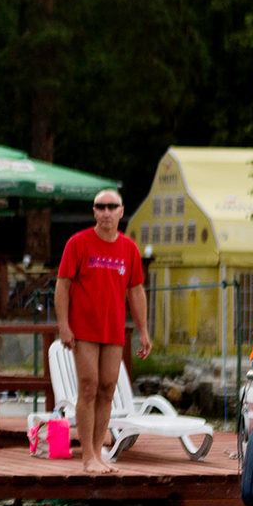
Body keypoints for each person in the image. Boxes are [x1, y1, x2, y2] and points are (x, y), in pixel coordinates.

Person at [55, 188, 151, 474]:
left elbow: (136, 291)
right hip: (83, 329)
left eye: (112, 207)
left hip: (113, 329)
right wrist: (64, 325)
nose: (106, 212)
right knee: (88, 387)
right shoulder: (78, 243)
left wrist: (144, 331)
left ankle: (98, 453)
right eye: (101, 207)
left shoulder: (129, 249)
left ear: (122, 211)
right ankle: (87, 457)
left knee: (108, 389)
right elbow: (63, 284)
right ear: (94, 211)